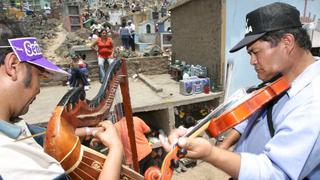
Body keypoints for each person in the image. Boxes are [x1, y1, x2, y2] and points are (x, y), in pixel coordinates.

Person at [160, 2, 320, 179]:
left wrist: (211, 154)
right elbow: (251, 119)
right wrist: (197, 136)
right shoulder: (281, 78)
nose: (252, 61)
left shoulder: (313, 102)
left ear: (287, 42)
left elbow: (276, 173)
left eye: (255, 52)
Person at [0, 18, 123, 179]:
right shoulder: (15, 164)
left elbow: (42, 136)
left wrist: (89, 131)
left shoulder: (11, 124)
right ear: (13, 66)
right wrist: (116, 149)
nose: (38, 89)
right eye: (39, 75)